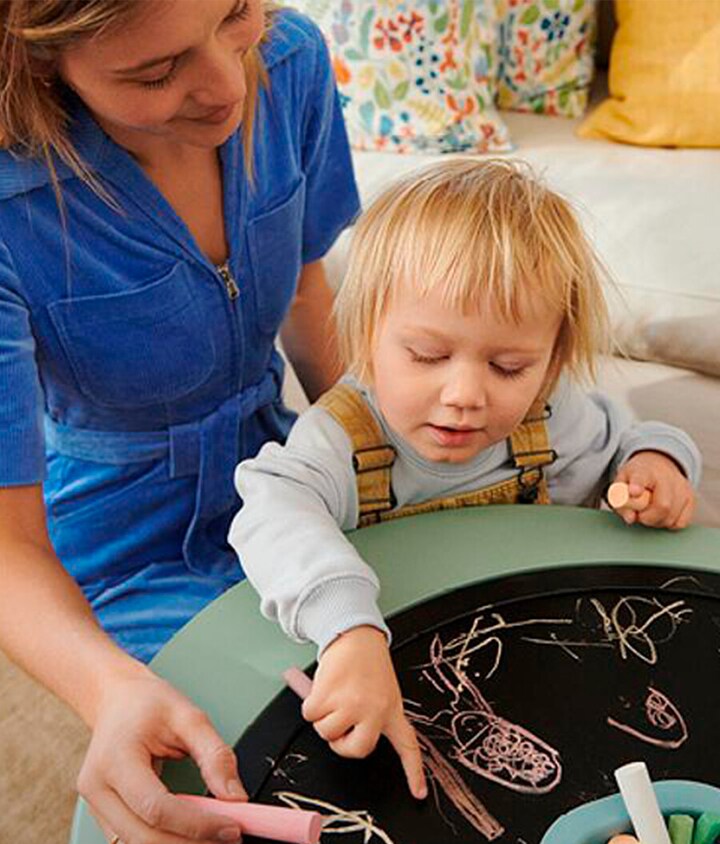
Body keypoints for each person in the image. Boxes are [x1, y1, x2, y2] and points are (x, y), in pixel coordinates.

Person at [0, 0, 360, 844]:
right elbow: (7, 543)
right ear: (36, 61)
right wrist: (111, 689)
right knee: (262, 780)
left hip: (282, 468)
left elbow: (310, 297)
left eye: (235, 11)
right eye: (155, 73)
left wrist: (379, 458)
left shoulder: (296, 60)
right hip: (122, 542)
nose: (227, 85)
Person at [229, 158, 701, 802]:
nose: (464, 395)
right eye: (426, 356)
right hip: (376, 671)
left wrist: (656, 466)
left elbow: (629, 440)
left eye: (509, 367)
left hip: (517, 660)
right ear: (366, 335)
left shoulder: (552, 416)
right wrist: (346, 627)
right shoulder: (343, 437)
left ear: (553, 364)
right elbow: (269, 508)